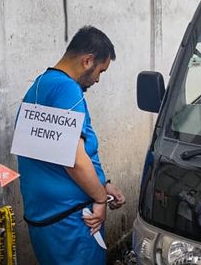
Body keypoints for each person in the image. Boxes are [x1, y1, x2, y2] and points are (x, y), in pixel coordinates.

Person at [17, 26, 126, 264]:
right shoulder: (67, 89)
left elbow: (50, 153)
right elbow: (73, 158)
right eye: (100, 71)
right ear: (88, 61)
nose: (98, 79)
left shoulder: (39, 85)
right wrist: (99, 199)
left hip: (46, 219)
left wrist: (102, 185)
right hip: (72, 221)